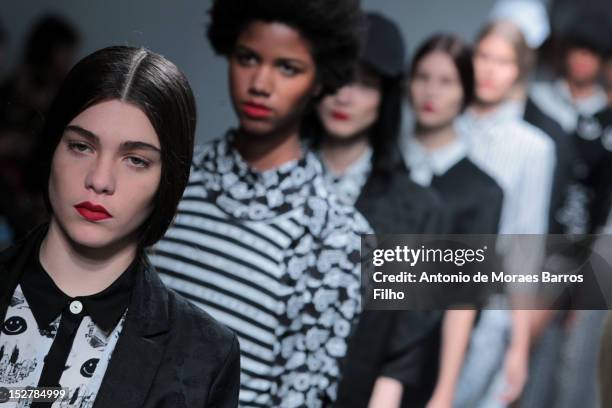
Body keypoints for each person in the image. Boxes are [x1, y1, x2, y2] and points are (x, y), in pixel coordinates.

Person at [150, 0, 370, 406]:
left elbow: (302, 394)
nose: (261, 83)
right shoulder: (170, 174)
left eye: (288, 67)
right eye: (248, 58)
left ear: (321, 80)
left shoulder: (336, 232)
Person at [0, 46, 240, 407]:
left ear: (169, 180)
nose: (99, 180)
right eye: (81, 146)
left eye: (135, 160)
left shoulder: (205, 357)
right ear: (52, 149)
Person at [302, 13, 448, 407]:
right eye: (339, 77)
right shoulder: (273, 178)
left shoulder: (414, 210)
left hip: (353, 390)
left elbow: (402, 347)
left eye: (365, 84)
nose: (344, 96)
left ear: (386, 96)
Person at [454, 18, 557, 408]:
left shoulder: (534, 148)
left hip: (490, 309)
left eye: (503, 61)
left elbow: (525, 244)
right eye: (482, 55)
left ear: (519, 71)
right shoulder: (442, 122)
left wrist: (518, 346)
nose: (489, 69)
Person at [401, 33, 504, 408]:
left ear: (466, 91)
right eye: (422, 77)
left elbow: (464, 297)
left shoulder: (482, 191)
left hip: (425, 361)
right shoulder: (382, 169)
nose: (431, 92)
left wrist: (445, 389)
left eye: (446, 81)